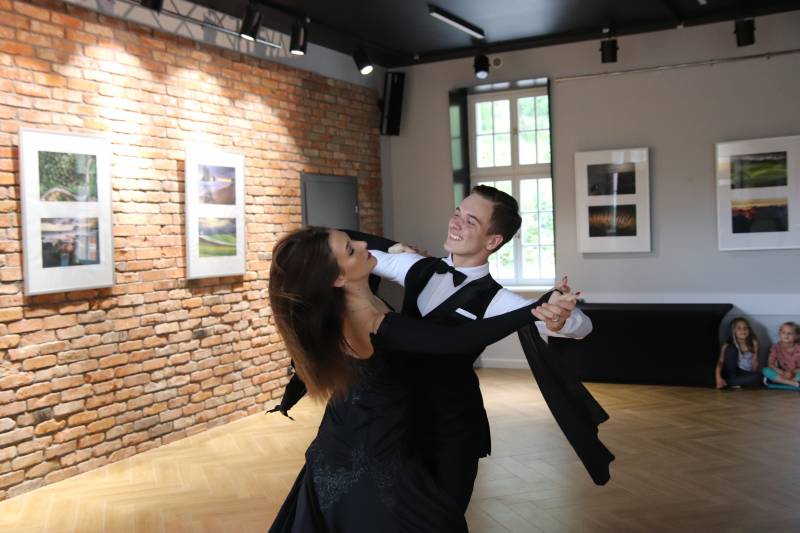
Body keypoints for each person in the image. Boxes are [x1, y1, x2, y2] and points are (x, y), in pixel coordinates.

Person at [267, 226, 571, 532]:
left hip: (350, 432)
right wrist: (533, 310)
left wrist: (394, 246)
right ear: (338, 278)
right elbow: (455, 340)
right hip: (369, 455)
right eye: (350, 250)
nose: (362, 245)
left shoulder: (351, 301)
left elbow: (334, 233)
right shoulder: (371, 321)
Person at [367, 185, 593, 511]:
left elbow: (583, 327)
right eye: (457, 213)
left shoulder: (497, 300)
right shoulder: (414, 266)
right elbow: (343, 249)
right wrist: (389, 245)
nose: (455, 222)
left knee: (444, 516)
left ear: (493, 241)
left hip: (452, 425)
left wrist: (562, 320)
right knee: (396, 514)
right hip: (398, 417)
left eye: (470, 221)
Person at [715, 317, 762, 389]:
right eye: (739, 328)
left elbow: (755, 362)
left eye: (745, 328)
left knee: (758, 377)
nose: (743, 331)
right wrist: (718, 377)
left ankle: (730, 383)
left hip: (744, 372)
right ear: (733, 331)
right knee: (732, 349)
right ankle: (728, 381)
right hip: (732, 372)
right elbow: (720, 362)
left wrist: (753, 374)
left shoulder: (753, 342)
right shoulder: (727, 345)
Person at [762, 322, 800, 389]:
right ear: (780, 334)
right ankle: (794, 384)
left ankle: (781, 383)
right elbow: (771, 364)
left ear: (796, 336)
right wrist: (783, 372)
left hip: (796, 373)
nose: (786, 335)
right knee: (765, 370)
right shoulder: (775, 347)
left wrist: (792, 372)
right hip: (782, 373)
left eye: (790, 333)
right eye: (783, 332)